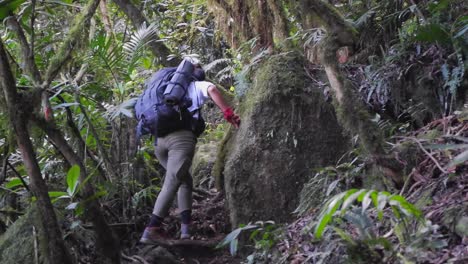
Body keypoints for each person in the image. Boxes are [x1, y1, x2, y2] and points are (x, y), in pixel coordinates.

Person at [140, 64, 240, 243]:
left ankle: (186, 231)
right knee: (172, 181)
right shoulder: (194, 85)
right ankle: (152, 228)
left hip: (158, 141)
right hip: (181, 139)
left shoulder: (164, 89)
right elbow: (212, 89)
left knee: (185, 181)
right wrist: (228, 113)